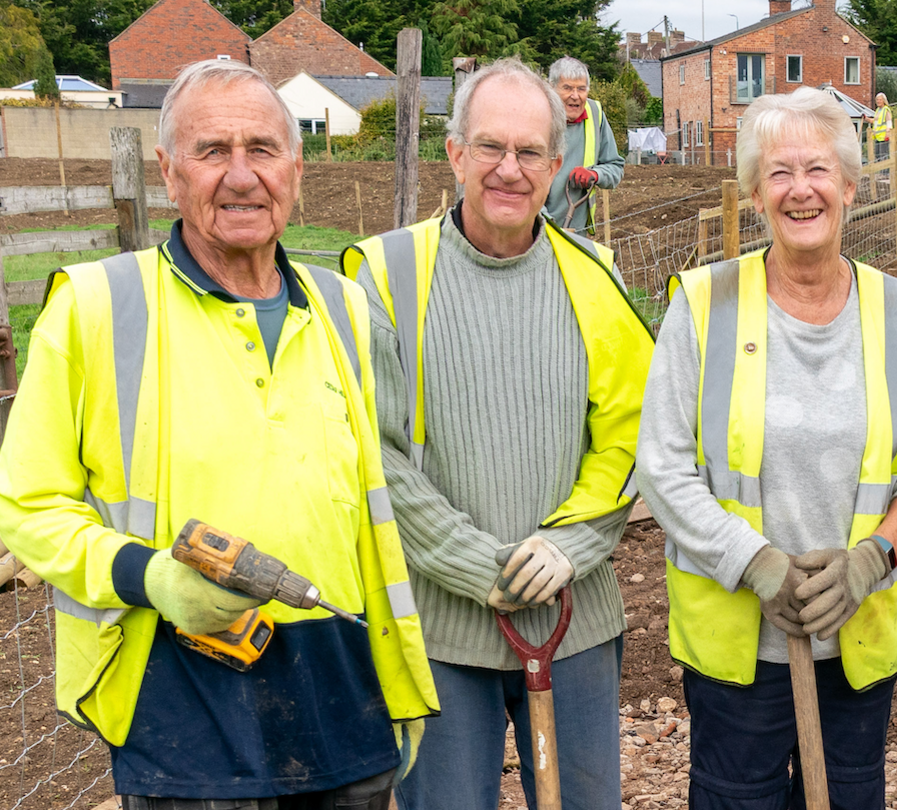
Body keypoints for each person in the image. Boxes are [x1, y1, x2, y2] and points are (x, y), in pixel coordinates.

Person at [0, 59, 438, 808]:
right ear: (168, 173)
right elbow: (28, 506)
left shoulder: (344, 308)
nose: (242, 176)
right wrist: (153, 578)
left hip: (342, 688)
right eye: (212, 152)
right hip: (184, 701)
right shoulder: (96, 308)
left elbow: (373, 496)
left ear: (296, 169)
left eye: (263, 150)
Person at [341, 57, 653, 810]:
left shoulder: (593, 275)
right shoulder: (385, 273)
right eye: (490, 147)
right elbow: (369, 448)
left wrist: (569, 549)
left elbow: (630, 436)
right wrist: (480, 565)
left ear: (556, 163)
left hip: (573, 622)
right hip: (438, 629)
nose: (509, 170)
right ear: (454, 153)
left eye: (529, 153)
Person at [636, 86, 897, 809]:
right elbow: (662, 465)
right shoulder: (704, 306)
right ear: (754, 194)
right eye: (779, 173)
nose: (800, 190)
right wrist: (756, 563)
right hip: (738, 651)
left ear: (848, 185)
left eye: (817, 170)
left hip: (857, 639)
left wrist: (874, 558)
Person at [545, 56, 625, 234]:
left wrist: (595, 174)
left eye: (581, 89)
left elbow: (615, 167)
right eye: (567, 88)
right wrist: (545, 226)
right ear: (551, 89)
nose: (575, 96)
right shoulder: (535, 115)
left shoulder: (595, 114)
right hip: (534, 231)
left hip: (577, 232)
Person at [863, 91, 892, 162]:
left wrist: (887, 133)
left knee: (883, 155)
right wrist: (866, 119)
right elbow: (875, 121)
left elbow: (889, 122)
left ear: (883, 101)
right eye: (877, 100)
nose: (878, 101)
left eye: (880, 100)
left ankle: (885, 172)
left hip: (883, 136)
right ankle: (881, 171)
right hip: (877, 136)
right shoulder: (878, 110)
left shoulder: (886, 110)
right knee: (877, 154)